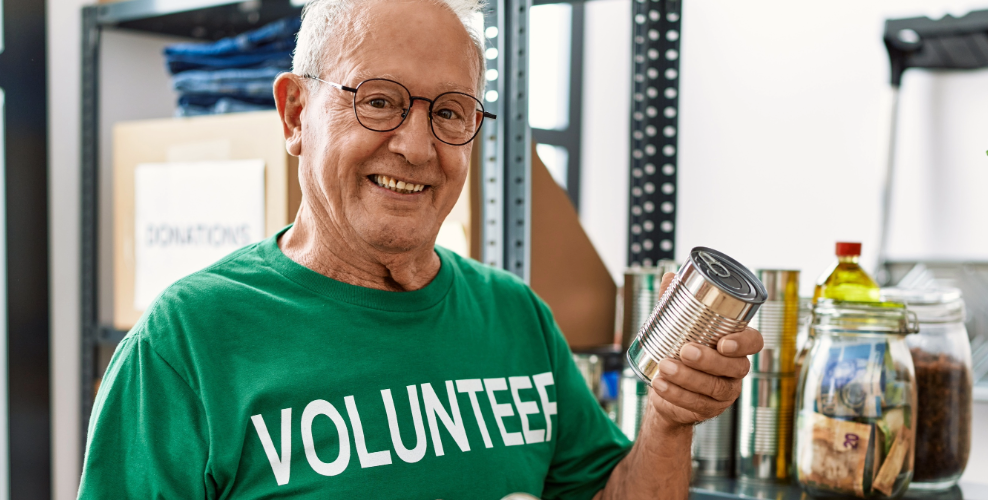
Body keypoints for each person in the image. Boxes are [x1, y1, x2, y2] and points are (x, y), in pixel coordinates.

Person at [77, 0, 763, 498]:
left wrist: (669, 423)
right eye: (378, 101)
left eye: (450, 111)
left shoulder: (514, 315)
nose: (415, 146)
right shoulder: (189, 342)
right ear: (294, 115)